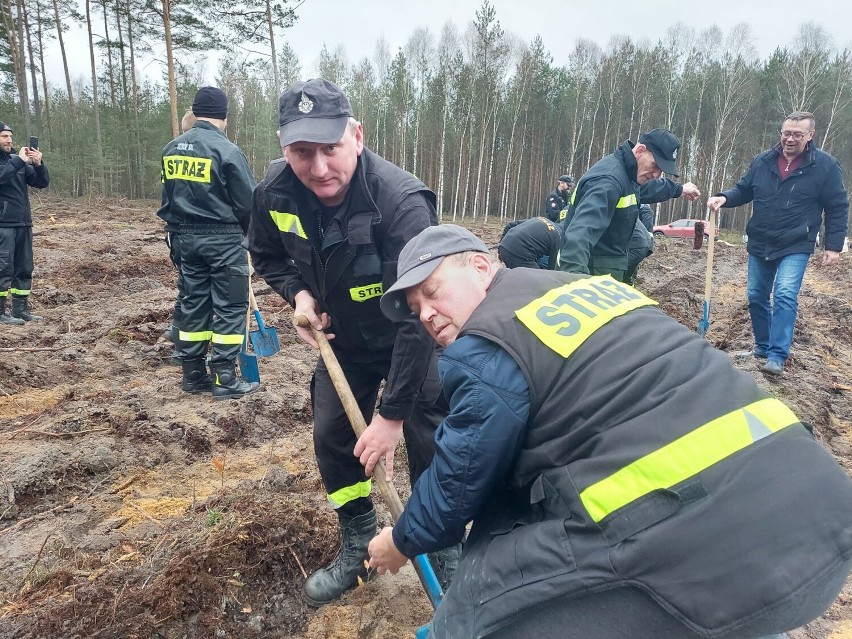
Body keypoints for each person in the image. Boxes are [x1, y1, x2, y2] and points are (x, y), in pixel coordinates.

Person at [371, 223, 852, 639]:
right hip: (814, 518)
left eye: (431, 292)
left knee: (470, 609)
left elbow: (458, 482)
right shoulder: (586, 287)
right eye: (416, 310)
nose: (427, 315)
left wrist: (401, 541)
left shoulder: (485, 342)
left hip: (711, 540)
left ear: (480, 265)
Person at [246, 78, 456, 606]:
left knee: (431, 444)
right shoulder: (274, 192)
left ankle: (448, 558)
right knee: (334, 440)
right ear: (283, 147)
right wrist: (296, 295)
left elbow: (419, 318)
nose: (318, 168)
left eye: (330, 149)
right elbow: (267, 256)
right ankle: (359, 542)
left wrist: (390, 417)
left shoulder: (400, 201)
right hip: (343, 341)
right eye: (302, 152)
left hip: (414, 336)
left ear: (356, 136)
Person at [708, 111, 848, 377]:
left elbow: (837, 206)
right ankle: (762, 346)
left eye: (797, 134)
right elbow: (744, 189)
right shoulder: (764, 161)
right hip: (761, 240)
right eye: (786, 133)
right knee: (756, 295)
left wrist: (833, 246)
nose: (790, 139)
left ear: (810, 136)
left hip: (796, 242)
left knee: (784, 293)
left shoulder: (825, 166)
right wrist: (724, 198)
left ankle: (777, 356)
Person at [157, 86, 259, 399]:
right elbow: (248, 203)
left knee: (192, 301)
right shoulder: (227, 151)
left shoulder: (171, 150)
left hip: (184, 239)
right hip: (223, 240)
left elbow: (168, 198)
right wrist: (252, 238)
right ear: (224, 115)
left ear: (195, 110)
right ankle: (225, 378)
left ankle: (193, 374)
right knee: (229, 305)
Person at [557, 128, 701, 282]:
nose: (656, 174)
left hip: (606, 271)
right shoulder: (608, 182)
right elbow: (579, 236)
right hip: (592, 276)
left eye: (661, 170)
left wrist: (680, 189)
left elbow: (648, 188)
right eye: (655, 165)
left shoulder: (629, 175)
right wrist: (575, 284)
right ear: (640, 151)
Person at [0, 121, 49, 324]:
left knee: (24, 267)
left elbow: (41, 183)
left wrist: (38, 164)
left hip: (23, 223)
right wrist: (19, 162)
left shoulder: (15, 160)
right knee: (3, 268)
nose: (9, 140)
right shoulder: (15, 162)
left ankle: (20, 309)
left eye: (10, 136)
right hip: (3, 225)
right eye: (4, 136)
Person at [160, 108, 200, 359]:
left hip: (176, 232)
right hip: (204, 234)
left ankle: (177, 332)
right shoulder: (216, 152)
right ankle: (183, 347)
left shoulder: (170, 152)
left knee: (187, 288)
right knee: (197, 294)